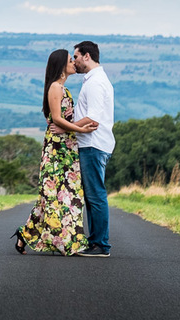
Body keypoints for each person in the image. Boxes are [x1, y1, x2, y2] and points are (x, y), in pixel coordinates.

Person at [14, 48, 97, 255]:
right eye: (71, 60)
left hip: (68, 146)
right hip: (57, 148)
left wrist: (75, 129)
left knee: (69, 195)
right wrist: (80, 129)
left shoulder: (63, 87)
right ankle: (65, 244)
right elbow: (57, 119)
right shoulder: (55, 88)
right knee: (54, 196)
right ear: (62, 66)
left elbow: (64, 121)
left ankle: (27, 234)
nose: (74, 63)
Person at [72, 40, 115, 258]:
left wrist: (65, 128)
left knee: (96, 194)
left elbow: (93, 119)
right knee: (92, 195)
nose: (74, 62)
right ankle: (95, 242)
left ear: (87, 56)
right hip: (92, 144)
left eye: (76, 57)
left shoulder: (96, 82)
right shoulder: (93, 80)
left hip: (93, 144)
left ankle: (100, 245)